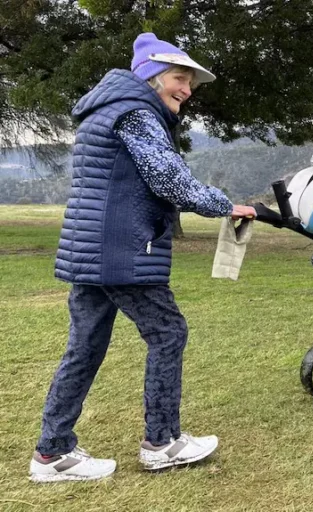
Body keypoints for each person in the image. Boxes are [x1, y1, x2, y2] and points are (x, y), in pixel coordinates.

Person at [29, 33, 256, 483]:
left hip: (92, 248)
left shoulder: (105, 110)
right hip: (121, 249)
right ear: (151, 77)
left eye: (190, 82)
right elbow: (167, 177)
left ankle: (52, 454)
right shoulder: (135, 113)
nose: (187, 90)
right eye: (179, 78)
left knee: (85, 347)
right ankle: (162, 442)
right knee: (168, 332)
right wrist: (222, 204)